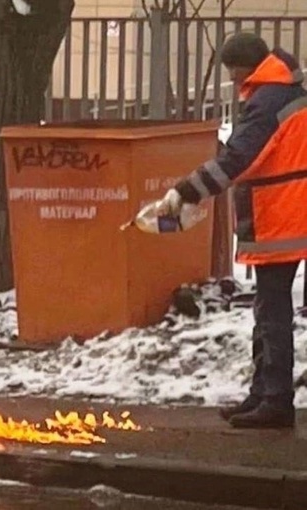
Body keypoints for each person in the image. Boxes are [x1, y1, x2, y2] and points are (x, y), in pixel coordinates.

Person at [157, 32, 307, 429]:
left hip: (280, 217)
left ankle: (274, 400)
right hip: (288, 213)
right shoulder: (284, 91)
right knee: (267, 308)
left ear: (245, 66)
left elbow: (239, 157)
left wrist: (187, 190)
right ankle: (264, 393)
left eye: (232, 70)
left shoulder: (268, 100)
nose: (232, 79)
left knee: (272, 312)